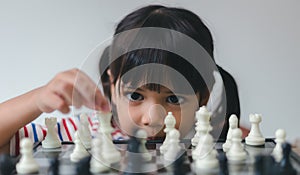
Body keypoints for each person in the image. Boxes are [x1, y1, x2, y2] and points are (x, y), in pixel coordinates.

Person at [0, 5, 241, 155]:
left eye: (173, 99)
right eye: (136, 96)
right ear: (112, 85)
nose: (152, 119)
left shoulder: (224, 143)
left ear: (204, 96)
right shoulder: (75, 136)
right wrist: (36, 100)